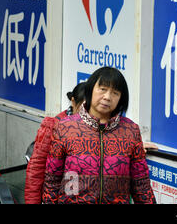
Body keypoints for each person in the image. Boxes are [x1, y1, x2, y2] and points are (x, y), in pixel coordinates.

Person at [42, 67, 156, 204]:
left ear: (121, 99)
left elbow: (141, 184)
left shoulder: (130, 131)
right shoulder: (65, 127)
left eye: (115, 93)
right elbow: (52, 180)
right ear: (90, 89)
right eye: (102, 89)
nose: (107, 97)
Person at [24, 82, 86, 204]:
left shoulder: (97, 129)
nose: (88, 113)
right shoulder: (53, 126)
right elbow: (36, 171)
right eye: (84, 107)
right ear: (73, 102)